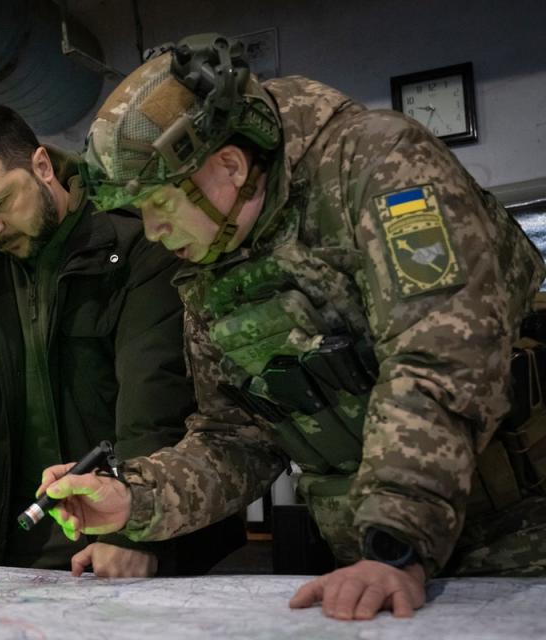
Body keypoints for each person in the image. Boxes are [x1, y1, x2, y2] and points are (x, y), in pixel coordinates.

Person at [35, 33, 546, 619]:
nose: (152, 232)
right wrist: (134, 498)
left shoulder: (378, 164)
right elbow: (237, 437)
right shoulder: (213, 258)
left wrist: (395, 539)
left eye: (161, 205)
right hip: (376, 562)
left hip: (517, 541)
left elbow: (439, 355)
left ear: (228, 165)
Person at [0, 104, 245, 576]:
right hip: (30, 540)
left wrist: (130, 529)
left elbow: (153, 397)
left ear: (42, 166)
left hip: (151, 537)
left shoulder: (133, 243)